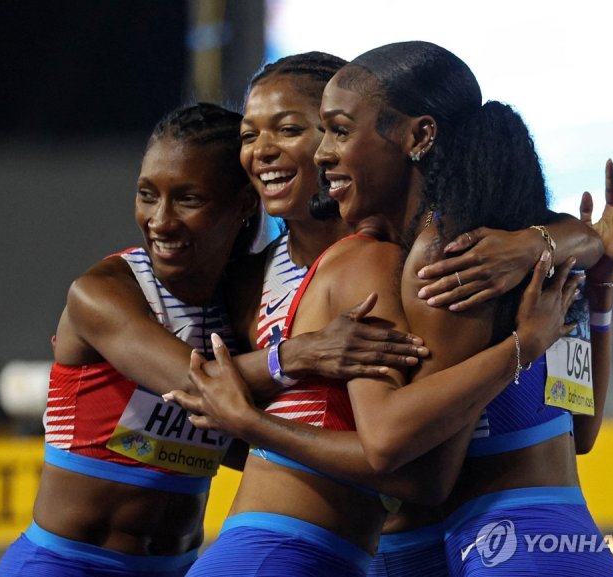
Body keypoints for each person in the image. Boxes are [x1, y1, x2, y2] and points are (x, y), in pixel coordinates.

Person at [170, 42, 586, 577]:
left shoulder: (419, 257)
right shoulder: (507, 240)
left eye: (322, 130)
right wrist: (291, 358)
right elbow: (584, 427)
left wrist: (251, 421)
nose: (268, 150)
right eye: (249, 135)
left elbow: (409, 463)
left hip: (461, 546)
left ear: (416, 137)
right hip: (452, 547)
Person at [0, 101, 430, 577]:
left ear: (242, 205)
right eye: (147, 194)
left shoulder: (246, 299)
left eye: (188, 198)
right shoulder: (103, 293)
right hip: (63, 564)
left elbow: (243, 434)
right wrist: (303, 353)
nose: (160, 220)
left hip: (176, 566)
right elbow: (195, 385)